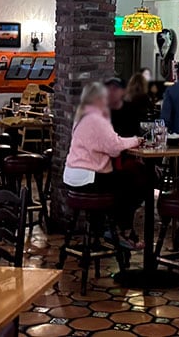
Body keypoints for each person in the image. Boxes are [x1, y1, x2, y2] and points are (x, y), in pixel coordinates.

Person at [63, 82, 142, 245]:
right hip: (88, 177)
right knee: (135, 182)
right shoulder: (96, 119)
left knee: (122, 179)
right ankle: (121, 229)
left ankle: (101, 229)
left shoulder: (82, 116)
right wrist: (136, 140)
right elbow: (114, 147)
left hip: (73, 175)